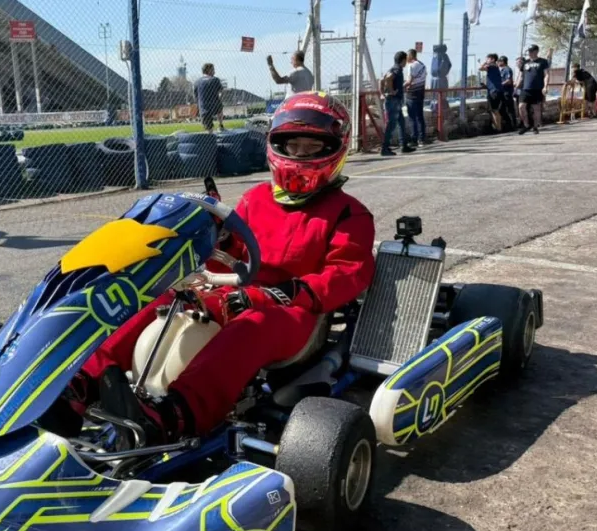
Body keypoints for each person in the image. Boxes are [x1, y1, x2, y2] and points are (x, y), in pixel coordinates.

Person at [54, 91, 376, 445]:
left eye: (311, 148)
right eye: (293, 145)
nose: (299, 155)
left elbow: (348, 273)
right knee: (160, 298)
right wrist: (218, 239)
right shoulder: (257, 198)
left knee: (251, 327)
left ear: (333, 150)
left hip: (294, 310)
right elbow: (238, 251)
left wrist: (276, 294)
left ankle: (176, 413)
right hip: (231, 292)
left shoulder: (349, 213)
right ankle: (80, 383)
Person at [379, 51, 415, 156]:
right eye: (406, 60)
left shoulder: (392, 68)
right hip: (394, 101)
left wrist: (383, 93)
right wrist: (391, 91)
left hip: (394, 100)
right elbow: (389, 78)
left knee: (401, 122)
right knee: (391, 124)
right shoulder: (397, 70)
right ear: (403, 60)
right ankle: (385, 148)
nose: (406, 62)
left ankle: (403, 145)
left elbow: (381, 80)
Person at [518, 44, 550, 135]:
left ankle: (535, 127)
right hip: (525, 88)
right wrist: (516, 86)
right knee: (521, 107)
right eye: (528, 51)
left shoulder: (543, 62)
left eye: (531, 51)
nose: (529, 53)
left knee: (536, 108)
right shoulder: (525, 63)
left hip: (537, 88)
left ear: (536, 51)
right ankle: (526, 125)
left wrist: (545, 86)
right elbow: (520, 76)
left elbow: (546, 75)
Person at [404, 48, 428, 147]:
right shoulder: (422, 65)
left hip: (412, 94)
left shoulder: (411, 66)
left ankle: (414, 139)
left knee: (412, 117)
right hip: (421, 93)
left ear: (410, 56)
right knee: (420, 116)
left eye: (407, 56)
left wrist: (400, 87)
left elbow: (409, 81)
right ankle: (422, 139)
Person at [194, 63, 224, 133]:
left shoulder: (197, 82)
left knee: (209, 131)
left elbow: (196, 96)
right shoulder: (215, 79)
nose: (214, 72)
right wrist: (218, 97)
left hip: (203, 108)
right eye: (213, 70)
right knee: (220, 107)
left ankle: (210, 133)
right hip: (215, 105)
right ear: (209, 70)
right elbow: (221, 92)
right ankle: (220, 125)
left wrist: (199, 107)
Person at [480, 53, 504, 132]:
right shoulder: (494, 67)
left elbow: (480, 68)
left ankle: (498, 128)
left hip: (494, 91)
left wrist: (484, 62)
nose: (487, 60)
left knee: (495, 110)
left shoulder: (492, 66)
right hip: (493, 90)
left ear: (493, 59)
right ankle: (497, 127)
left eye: (488, 58)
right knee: (494, 110)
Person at [498, 56, 519, 130]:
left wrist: (500, 84)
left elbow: (509, 80)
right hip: (503, 92)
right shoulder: (502, 70)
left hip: (507, 92)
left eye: (499, 61)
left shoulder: (507, 69)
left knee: (510, 109)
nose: (498, 63)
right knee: (501, 109)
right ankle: (509, 124)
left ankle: (513, 125)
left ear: (503, 61)